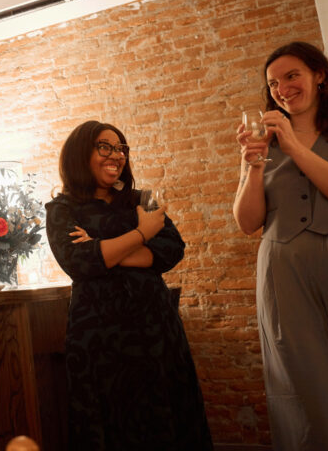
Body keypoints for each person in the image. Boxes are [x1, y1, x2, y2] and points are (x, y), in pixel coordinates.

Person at [45, 121, 213, 451]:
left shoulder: (141, 199)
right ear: (80, 154)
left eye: (120, 148)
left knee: (168, 417)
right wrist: (141, 234)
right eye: (104, 147)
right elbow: (78, 261)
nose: (116, 155)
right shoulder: (62, 208)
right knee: (113, 420)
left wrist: (104, 249)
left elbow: (171, 249)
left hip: (156, 328)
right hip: (100, 336)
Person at [233, 41, 328, 450]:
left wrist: (293, 145)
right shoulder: (263, 143)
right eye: (273, 83)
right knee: (302, 383)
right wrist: (253, 167)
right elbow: (247, 223)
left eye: (292, 76)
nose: (282, 88)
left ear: (319, 75)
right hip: (284, 275)